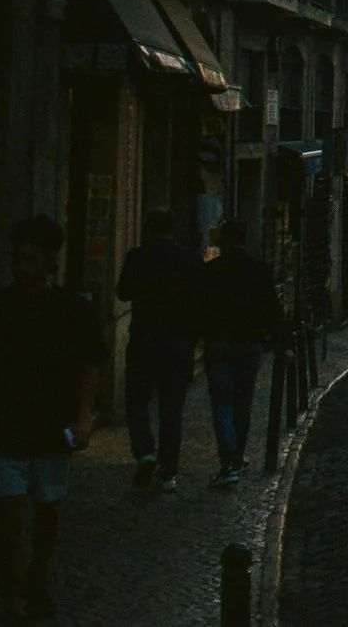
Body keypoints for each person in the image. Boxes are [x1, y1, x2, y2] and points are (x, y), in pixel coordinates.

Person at [0, 215, 103, 623]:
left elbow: (90, 364)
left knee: (47, 514)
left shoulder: (71, 309)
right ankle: (12, 596)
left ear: (49, 261)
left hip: (50, 428)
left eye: (30, 258)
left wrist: (84, 419)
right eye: (17, 257)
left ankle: (36, 581)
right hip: (3, 428)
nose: (20, 266)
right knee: (7, 518)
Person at [116, 210, 202, 491]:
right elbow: (201, 300)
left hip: (144, 339)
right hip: (178, 343)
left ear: (149, 231)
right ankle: (167, 471)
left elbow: (123, 292)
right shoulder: (189, 260)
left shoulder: (137, 257)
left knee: (136, 401)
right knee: (171, 408)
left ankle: (145, 452)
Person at [199, 220, 282, 489]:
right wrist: (283, 342)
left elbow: (200, 306)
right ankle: (236, 456)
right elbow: (271, 308)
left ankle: (230, 462)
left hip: (219, 342)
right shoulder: (258, 270)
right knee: (243, 401)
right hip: (249, 343)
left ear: (223, 241)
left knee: (222, 402)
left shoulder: (211, 271)